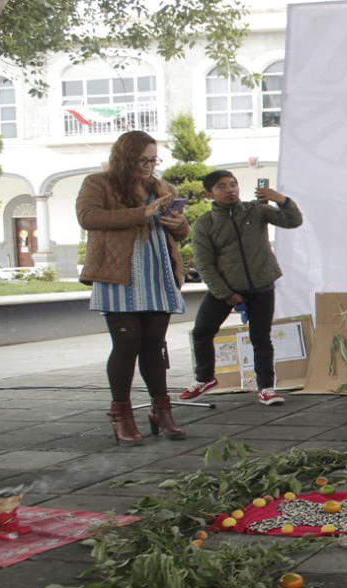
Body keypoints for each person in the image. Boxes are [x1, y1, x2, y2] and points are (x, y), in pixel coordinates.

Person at [77, 130, 189, 445]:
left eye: (154, 160)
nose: (149, 166)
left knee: (154, 345)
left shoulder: (162, 187)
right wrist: (144, 213)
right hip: (118, 274)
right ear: (125, 157)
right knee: (127, 345)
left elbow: (181, 232)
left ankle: (161, 410)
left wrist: (177, 223)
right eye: (143, 160)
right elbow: (88, 217)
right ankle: (121, 414)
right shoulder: (98, 183)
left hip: (156, 272)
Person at [181, 170, 303, 405]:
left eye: (233, 184)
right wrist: (227, 294)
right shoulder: (205, 224)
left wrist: (282, 200)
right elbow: (204, 264)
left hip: (261, 285)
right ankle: (205, 378)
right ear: (209, 194)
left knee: (260, 338)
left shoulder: (255, 210)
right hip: (225, 288)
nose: (230, 190)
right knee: (202, 331)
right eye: (222, 187)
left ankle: (266, 388)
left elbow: (293, 221)